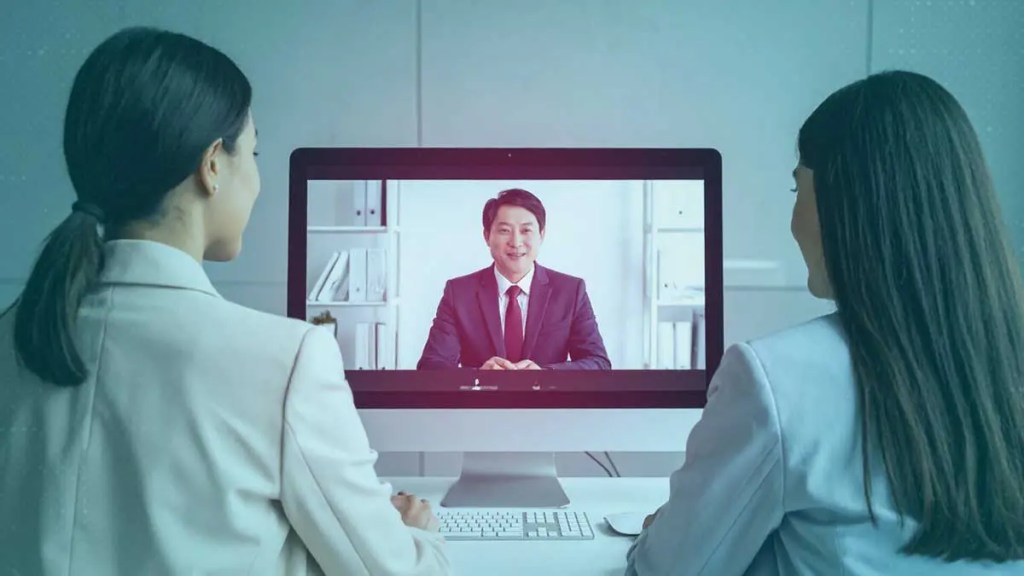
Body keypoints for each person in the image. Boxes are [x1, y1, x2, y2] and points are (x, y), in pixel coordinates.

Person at [0, 27, 450, 575]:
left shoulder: (14, 335)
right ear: (213, 164)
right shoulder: (287, 360)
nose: (258, 181)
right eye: (253, 153)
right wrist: (419, 536)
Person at [625, 70, 1024, 575]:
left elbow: (669, 570)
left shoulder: (774, 379)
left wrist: (672, 530)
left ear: (844, 203)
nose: (792, 219)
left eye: (798, 189)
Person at [416, 188, 611, 370]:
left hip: (548, 405)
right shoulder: (459, 292)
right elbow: (431, 366)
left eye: (526, 231)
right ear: (486, 236)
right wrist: (479, 375)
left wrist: (544, 374)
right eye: (504, 231)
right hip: (481, 405)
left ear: (541, 235)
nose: (516, 243)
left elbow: (598, 363)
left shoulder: (571, 290)